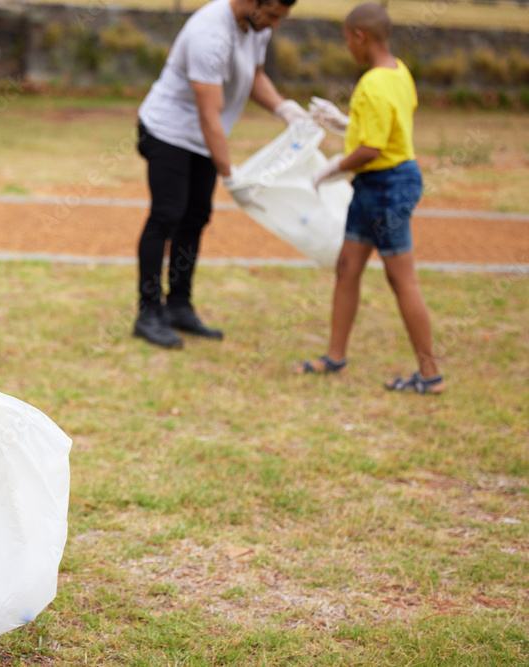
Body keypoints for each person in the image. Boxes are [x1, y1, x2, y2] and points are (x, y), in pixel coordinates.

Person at [133, 0, 306, 349]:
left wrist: (285, 110)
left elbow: (254, 76)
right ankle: (148, 313)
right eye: (272, 15)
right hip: (168, 132)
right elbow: (209, 114)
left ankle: (179, 305)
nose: (274, 24)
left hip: (201, 139)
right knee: (166, 216)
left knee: (196, 217)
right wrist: (230, 174)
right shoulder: (208, 34)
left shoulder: (256, 26)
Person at [298, 2, 444, 394]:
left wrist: (328, 171)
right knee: (347, 268)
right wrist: (343, 122)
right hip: (374, 186)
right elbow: (383, 130)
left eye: (347, 40)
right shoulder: (399, 74)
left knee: (403, 281)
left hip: (387, 185)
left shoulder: (373, 83)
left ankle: (430, 376)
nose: (347, 47)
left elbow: (371, 150)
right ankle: (335, 357)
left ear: (360, 36)